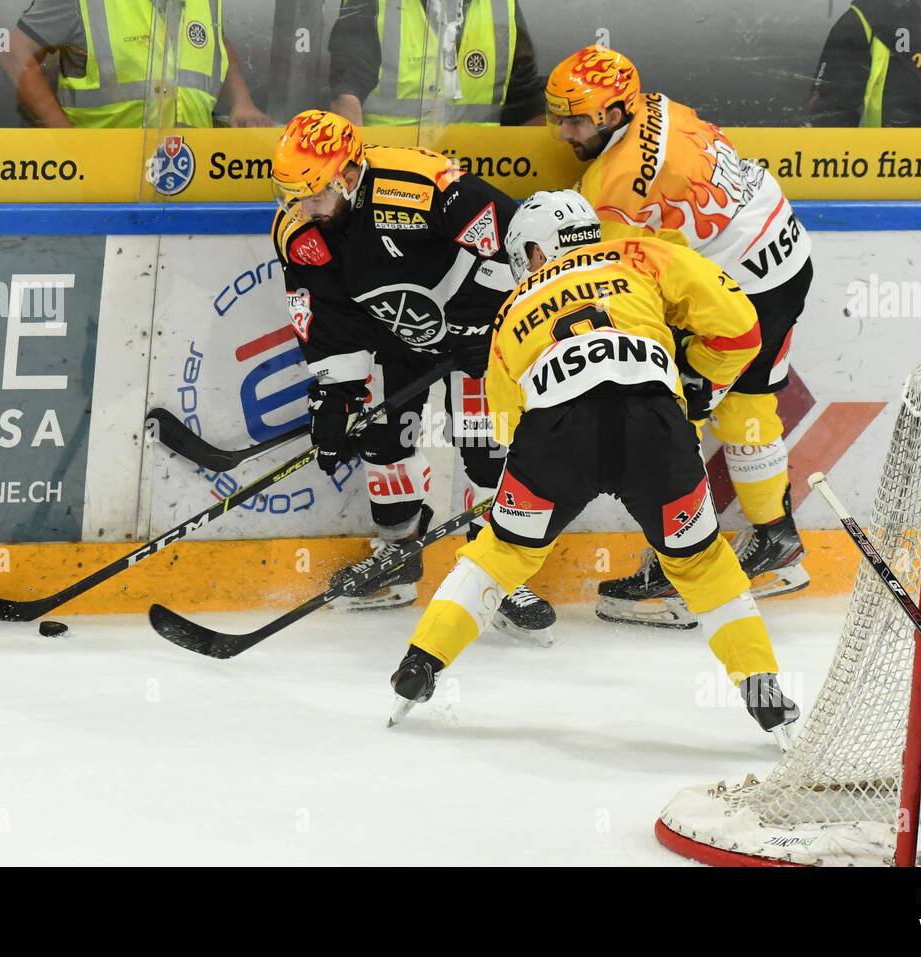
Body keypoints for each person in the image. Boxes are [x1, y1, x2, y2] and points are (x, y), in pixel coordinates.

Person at [388, 190, 800, 745]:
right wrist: (698, 382)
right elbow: (741, 328)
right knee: (703, 565)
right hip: (653, 427)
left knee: (500, 553)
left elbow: (508, 428)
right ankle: (765, 695)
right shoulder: (641, 254)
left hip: (555, 441)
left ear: (535, 251)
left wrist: (530, 491)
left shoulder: (510, 313)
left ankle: (420, 664)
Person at [544, 45, 815, 628]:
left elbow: (625, 280)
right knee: (746, 403)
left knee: (672, 413)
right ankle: (776, 544)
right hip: (786, 255)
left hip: (741, 295)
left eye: (576, 119)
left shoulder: (609, 189)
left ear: (614, 114)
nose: (564, 132)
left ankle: (684, 567)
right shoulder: (662, 106)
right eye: (559, 116)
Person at [269, 108, 555, 640]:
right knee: (382, 438)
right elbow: (328, 318)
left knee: (487, 449)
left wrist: (493, 325)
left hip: (479, 335)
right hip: (397, 338)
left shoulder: (418, 185)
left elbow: (517, 245)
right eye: (293, 196)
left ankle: (494, 574)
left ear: (346, 176)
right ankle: (399, 557)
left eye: (312, 195)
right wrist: (337, 394)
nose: (302, 210)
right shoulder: (300, 232)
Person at [0, 0, 268, 128]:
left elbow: (216, 40)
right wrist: (63, 136)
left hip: (191, 165)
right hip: (105, 171)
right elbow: (15, 53)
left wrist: (242, 102)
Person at [327, 0, 545, 127]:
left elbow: (527, 105)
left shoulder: (500, 6)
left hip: (477, 171)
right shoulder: (375, 4)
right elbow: (345, 94)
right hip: (390, 173)